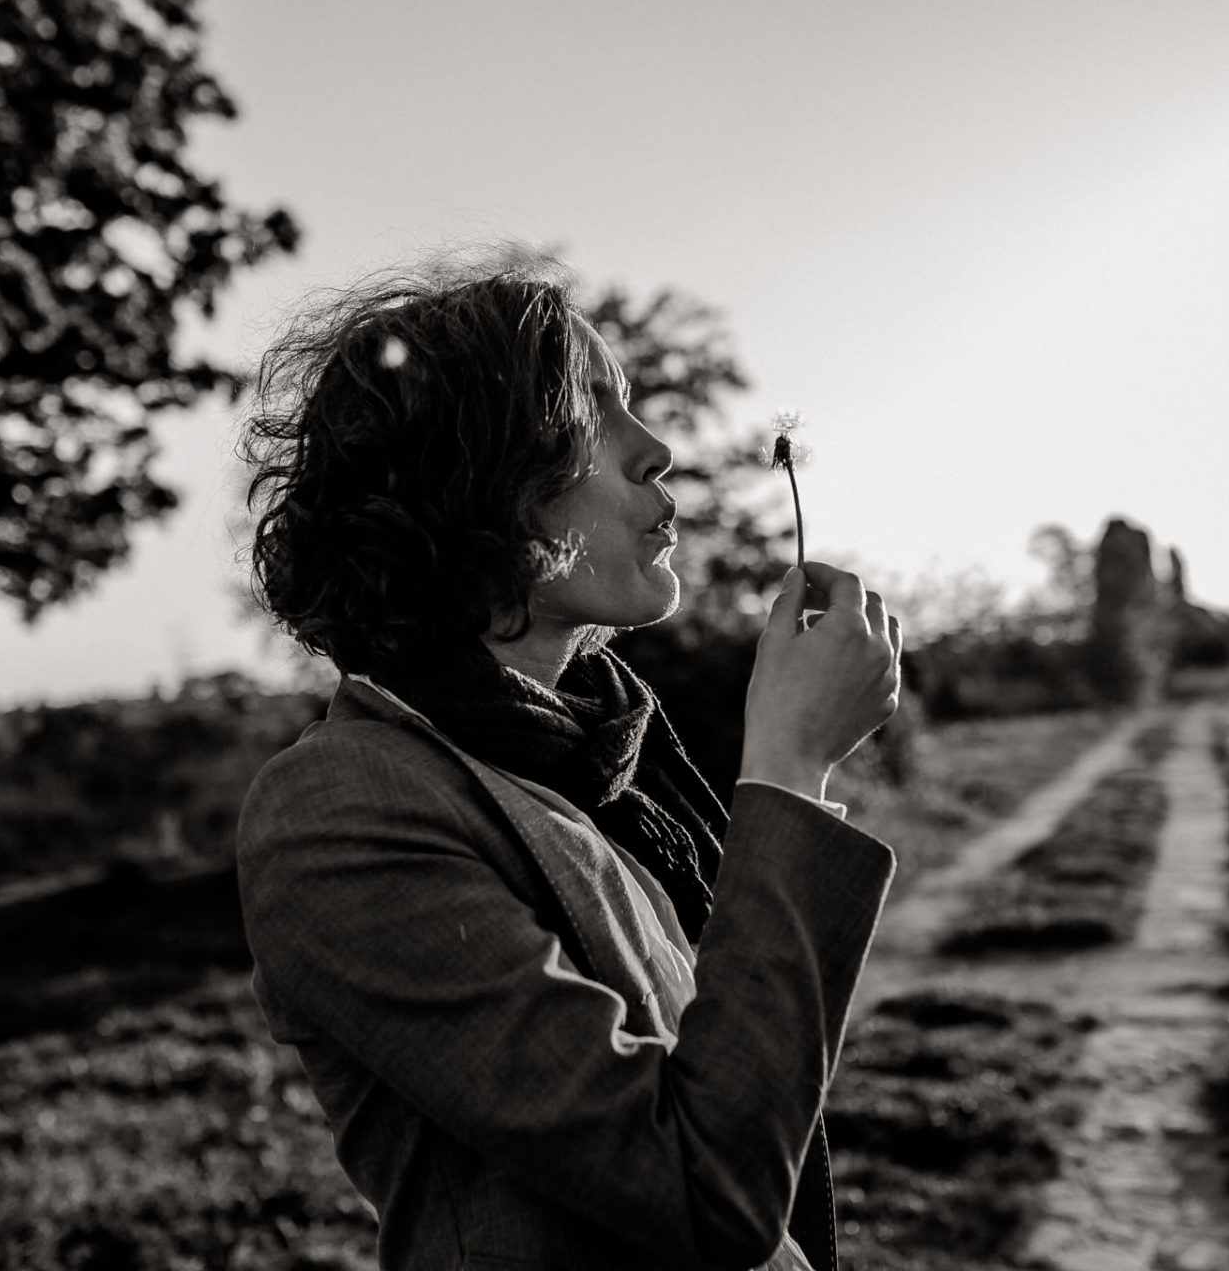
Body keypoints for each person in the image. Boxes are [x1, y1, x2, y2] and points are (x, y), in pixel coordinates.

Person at [236, 254, 900, 1271]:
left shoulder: (601, 770)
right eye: (597, 410)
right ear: (477, 475)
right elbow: (703, 1190)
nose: (660, 450)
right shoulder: (340, 808)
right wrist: (791, 766)